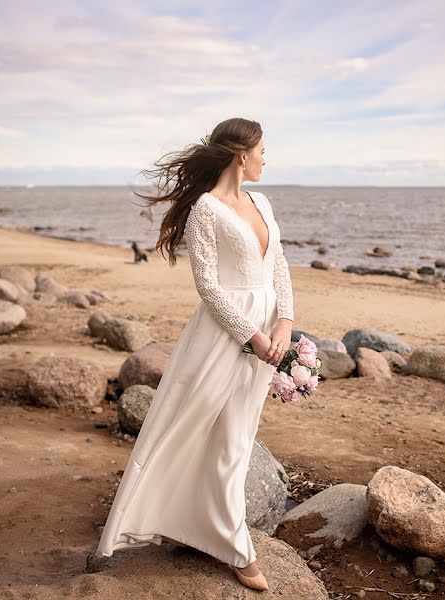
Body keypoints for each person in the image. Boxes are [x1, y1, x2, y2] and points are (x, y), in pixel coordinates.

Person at [94, 117, 293, 592]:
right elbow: (208, 287)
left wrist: (284, 321)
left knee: (237, 438)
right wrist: (253, 336)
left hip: (267, 332)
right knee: (195, 427)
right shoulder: (206, 209)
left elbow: (279, 266)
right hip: (223, 337)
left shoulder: (262, 201)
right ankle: (235, 548)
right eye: (263, 150)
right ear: (241, 156)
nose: (268, 158)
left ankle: (211, 529)